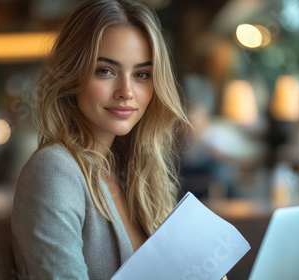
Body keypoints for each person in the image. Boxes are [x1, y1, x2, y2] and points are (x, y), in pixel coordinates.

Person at [11, 0, 190, 278]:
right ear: (71, 76)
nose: (126, 91)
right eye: (105, 70)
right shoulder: (54, 170)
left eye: (142, 74)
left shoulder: (133, 172)